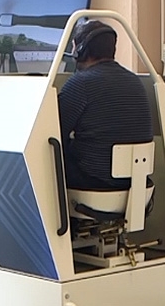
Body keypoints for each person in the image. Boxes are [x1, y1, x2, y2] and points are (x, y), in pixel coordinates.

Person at [57, 19, 154, 191]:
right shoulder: (135, 81)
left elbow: (55, 131)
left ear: (80, 51)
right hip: (139, 183)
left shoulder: (80, 83)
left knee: (52, 149)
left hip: (96, 183)